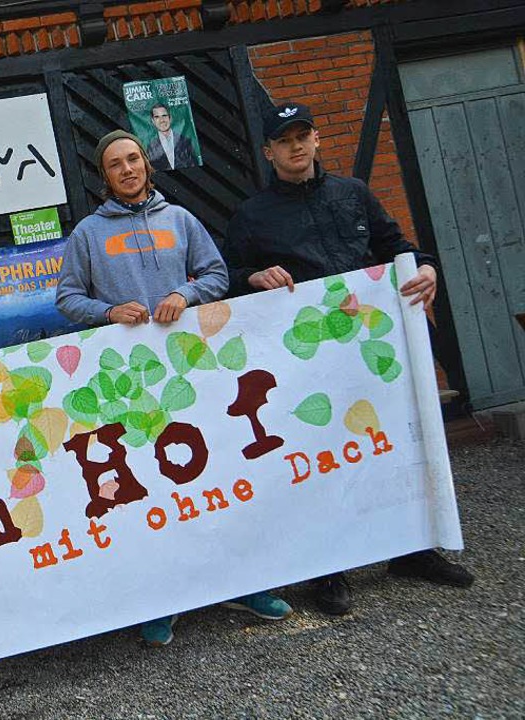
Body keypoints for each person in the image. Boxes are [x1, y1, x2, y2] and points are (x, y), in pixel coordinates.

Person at [222, 101, 475, 615]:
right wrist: (253, 278)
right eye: (284, 139)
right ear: (268, 152)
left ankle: (413, 550)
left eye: (303, 135)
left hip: (370, 352)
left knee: (395, 445)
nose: (296, 146)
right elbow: (229, 281)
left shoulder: (353, 194)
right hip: (304, 363)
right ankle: (330, 569)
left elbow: (397, 247)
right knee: (320, 457)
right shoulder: (252, 215)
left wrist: (426, 269)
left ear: (317, 141)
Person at [55, 130, 292, 647]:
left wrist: (183, 295)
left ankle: (247, 584)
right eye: (115, 164)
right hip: (131, 384)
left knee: (219, 478)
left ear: (147, 165)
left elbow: (216, 274)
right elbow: (68, 298)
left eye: (134, 159)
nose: (127, 169)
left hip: (194, 374)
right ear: (105, 177)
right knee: (151, 490)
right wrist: (107, 312)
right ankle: (164, 600)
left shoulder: (181, 220)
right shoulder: (87, 235)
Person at [146, 104, 197, 172]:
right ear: (153, 121)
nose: (162, 120)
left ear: (170, 118)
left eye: (164, 116)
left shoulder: (185, 141)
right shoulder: (151, 147)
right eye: (157, 117)